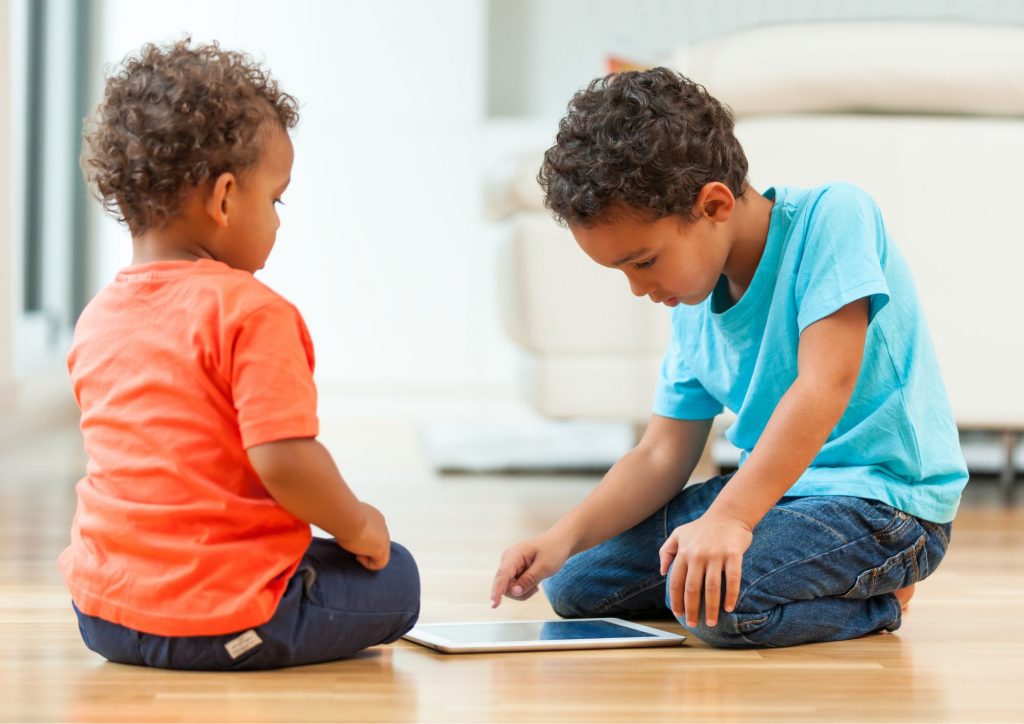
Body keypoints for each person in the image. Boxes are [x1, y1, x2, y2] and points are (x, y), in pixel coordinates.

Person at [491, 67, 967, 648]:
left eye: (643, 262)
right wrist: (561, 537)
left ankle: (881, 600)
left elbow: (825, 384)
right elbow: (662, 453)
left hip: (882, 505)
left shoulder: (833, 218)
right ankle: (776, 570)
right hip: (773, 493)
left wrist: (731, 519)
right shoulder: (692, 299)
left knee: (717, 609)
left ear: (713, 204)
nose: (639, 289)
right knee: (574, 583)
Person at [60, 39, 419, 670]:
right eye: (276, 198)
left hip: (102, 613)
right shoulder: (252, 312)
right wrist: (358, 523)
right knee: (400, 579)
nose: (279, 219)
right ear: (225, 199)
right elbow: (284, 460)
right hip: (223, 622)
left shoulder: (98, 319)